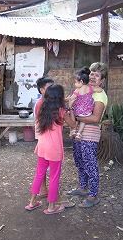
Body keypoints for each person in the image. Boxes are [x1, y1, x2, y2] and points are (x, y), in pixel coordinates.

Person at [25, 84, 75, 215]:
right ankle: (51, 207)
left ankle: (32, 202)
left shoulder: (42, 108)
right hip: (54, 149)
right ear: (60, 97)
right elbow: (73, 125)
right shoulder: (61, 111)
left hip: (42, 146)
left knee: (39, 174)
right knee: (54, 177)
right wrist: (70, 109)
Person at [66, 62, 108, 208]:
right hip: (78, 131)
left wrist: (76, 118)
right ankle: (83, 188)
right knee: (79, 160)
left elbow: (95, 118)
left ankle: (93, 195)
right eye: (91, 73)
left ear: (102, 80)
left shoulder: (100, 96)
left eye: (97, 75)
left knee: (90, 163)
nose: (93, 77)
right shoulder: (85, 89)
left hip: (90, 133)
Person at [33, 77, 54, 199]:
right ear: (42, 90)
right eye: (49, 88)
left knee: (43, 166)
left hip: (44, 138)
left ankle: (43, 190)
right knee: (46, 165)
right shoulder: (42, 103)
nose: (53, 90)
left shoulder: (46, 101)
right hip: (46, 138)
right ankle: (48, 191)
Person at [67, 67, 102, 140]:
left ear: (82, 82)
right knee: (83, 121)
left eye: (76, 82)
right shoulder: (90, 88)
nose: (75, 84)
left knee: (72, 112)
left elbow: (71, 98)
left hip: (78, 111)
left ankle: (73, 130)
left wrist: (66, 99)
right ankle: (79, 133)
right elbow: (99, 90)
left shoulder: (78, 90)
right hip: (87, 112)